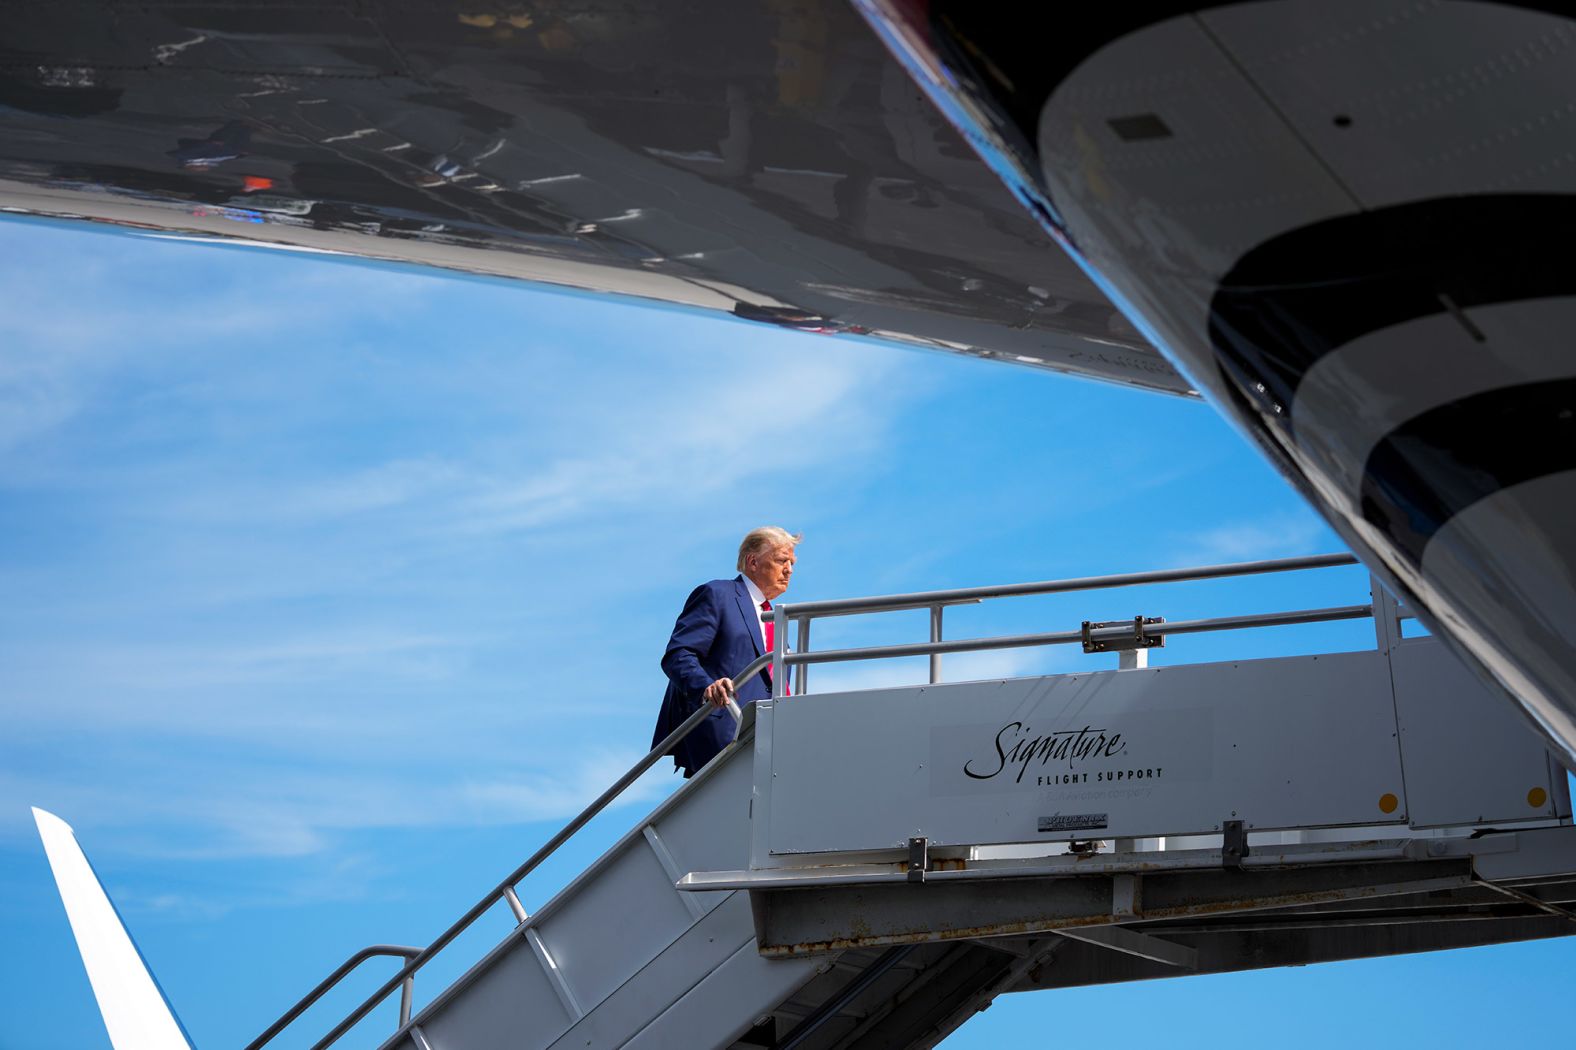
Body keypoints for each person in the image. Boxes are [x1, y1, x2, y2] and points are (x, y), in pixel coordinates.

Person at [652, 526, 800, 777]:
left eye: (792, 563)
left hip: (770, 741)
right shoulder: (718, 595)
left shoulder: (777, 621)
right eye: (781, 560)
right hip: (724, 732)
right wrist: (706, 687)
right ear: (753, 561)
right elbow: (678, 654)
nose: (789, 570)